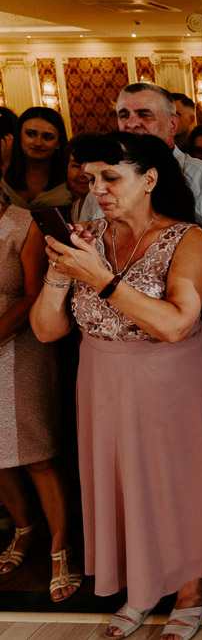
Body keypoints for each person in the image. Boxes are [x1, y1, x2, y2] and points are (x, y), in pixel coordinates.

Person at [29, 131, 202, 640]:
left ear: (149, 179)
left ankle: (192, 588)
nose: (98, 189)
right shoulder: (86, 238)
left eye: (111, 177)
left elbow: (176, 323)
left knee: (179, 483)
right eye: (91, 179)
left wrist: (100, 278)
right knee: (122, 484)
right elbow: (46, 330)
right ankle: (143, 585)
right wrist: (62, 270)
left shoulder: (187, 238)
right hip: (102, 378)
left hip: (173, 378)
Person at [0, 189, 77, 603]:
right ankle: (24, 526)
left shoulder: (22, 222)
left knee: (37, 453)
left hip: (20, 343)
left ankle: (61, 545)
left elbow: (33, 293)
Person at [78, 83, 202, 262]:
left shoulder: (201, 176)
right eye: (124, 115)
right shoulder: (100, 183)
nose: (131, 123)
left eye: (144, 114)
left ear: (173, 123)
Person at [1, 107, 71, 211]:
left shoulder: (70, 175)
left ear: (58, 143)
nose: (38, 143)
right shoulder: (5, 172)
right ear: (19, 136)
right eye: (31, 134)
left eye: (47, 137)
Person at [64, 133, 93, 222]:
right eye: (76, 166)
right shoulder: (66, 209)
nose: (82, 174)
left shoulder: (109, 211)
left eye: (90, 166)